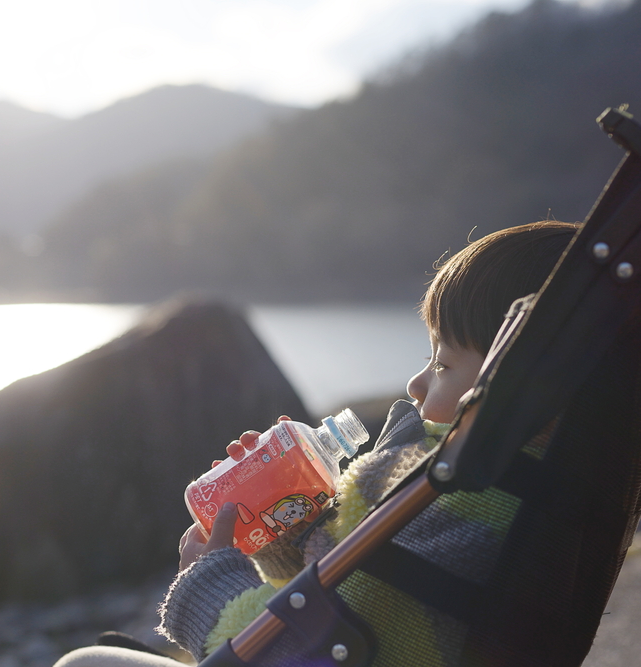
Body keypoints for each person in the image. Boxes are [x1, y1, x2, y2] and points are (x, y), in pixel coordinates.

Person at [54, 220, 580, 667]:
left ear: (521, 382)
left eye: (442, 364)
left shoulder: (456, 496)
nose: (416, 384)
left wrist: (206, 588)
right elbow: (368, 603)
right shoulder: (524, 499)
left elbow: (305, 654)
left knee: (85, 663)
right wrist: (290, 532)